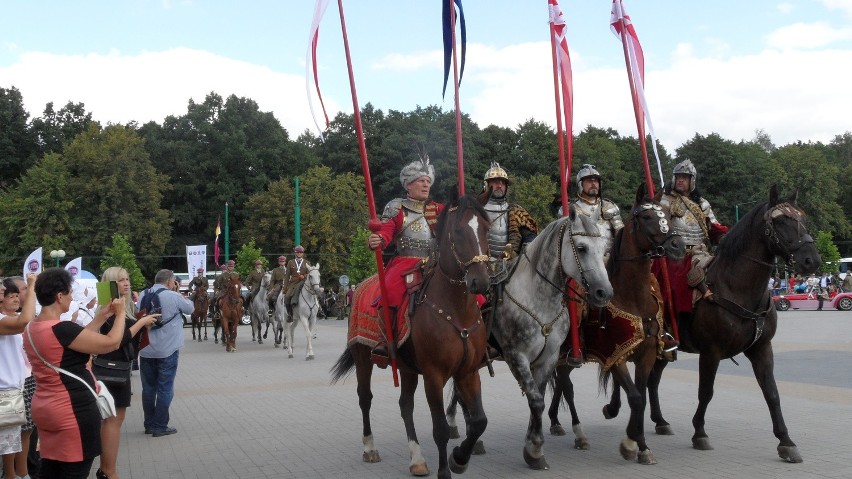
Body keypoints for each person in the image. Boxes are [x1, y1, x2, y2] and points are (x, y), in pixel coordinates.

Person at [22, 269, 127, 479]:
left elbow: (75, 341)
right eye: (70, 293)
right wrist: (121, 314)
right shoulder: (62, 328)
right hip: (71, 410)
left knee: (50, 468)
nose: (72, 298)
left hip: (46, 408)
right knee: (74, 470)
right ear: (59, 296)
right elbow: (111, 343)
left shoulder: (33, 327)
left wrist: (102, 316)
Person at [367, 155, 445, 356]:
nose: (426, 185)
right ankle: (386, 340)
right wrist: (378, 240)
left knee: (474, 294)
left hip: (436, 263)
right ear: (408, 185)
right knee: (390, 291)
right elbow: (386, 230)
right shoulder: (397, 207)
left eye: (428, 181)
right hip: (406, 262)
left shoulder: (438, 209)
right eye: (421, 181)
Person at [654, 159, 729, 352]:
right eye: (679, 177)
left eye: (685, 178)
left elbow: (714, 227)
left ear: (692, 180)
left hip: (701, 250)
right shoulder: (665, 200)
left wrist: (725, 239)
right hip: (674, 254)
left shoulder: (702, 204)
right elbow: (659, 229)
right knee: (672, 286)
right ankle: (666, 329)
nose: (681, 181)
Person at [96, 267, 159, 479]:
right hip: (112, 368)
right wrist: (141, 322)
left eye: (127, 279)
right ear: (111, 283)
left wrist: (142, 324)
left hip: (118, 366)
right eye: (120, 280)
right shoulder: (111, 308)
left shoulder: (122, 306)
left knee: (113, 420)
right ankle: (108, 471)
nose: (125, 283)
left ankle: (107, 469)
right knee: (113, 421)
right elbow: (119, 339)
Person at [136, 270, 193, 439]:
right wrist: (176, 292)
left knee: (148, 389)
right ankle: (160, 426)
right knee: (165, 388)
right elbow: (190, 308)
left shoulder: (143, 294)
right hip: (167, 350)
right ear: (169, 281)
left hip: (146, 350)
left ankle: (148, 424)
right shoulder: (172, 295)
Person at [1, 279, 32, 479]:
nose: (7, 293)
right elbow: (24, 322)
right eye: (4, 292)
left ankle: (19, 473)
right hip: (6, 388)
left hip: (15, 385)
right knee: (8, 440)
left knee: (20, 433)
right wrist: (33, 287)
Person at [569, 164, 624, 262]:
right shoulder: (571, 209)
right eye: (589, 181)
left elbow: (621, 236)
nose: (593, 183)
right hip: (582, 263)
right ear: (580, 184)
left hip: (611, 261)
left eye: (596, 181)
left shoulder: (609, 207)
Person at [283, 246, 311, 318]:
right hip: (293, 283)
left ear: (303, 253)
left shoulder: (307, 262)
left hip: (304, 282)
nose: (299, 253)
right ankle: (290, 313)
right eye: (297, 252)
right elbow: (287, 275)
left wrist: (304, 276)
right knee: (287, 297)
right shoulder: (290, 262)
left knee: (315, 293)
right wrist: (285, 287)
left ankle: (318, 310)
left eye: (300, 252)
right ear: (295, 253)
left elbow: (310, 274)